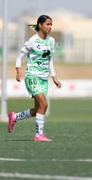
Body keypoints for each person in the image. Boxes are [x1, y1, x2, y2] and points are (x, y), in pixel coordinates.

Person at [7, 14, 62, 142]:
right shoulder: (32, 40)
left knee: (38, 109)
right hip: (32, 76)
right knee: (44, 104)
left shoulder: (51, 41)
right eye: (48, 24)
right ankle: (38, 135)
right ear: (40, 25)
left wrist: (54, 77)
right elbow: (19, 58)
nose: (50, 27)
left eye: (51, 24)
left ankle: (14, 117)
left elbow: (50, 60)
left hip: (44, 79)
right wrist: (18, 70)